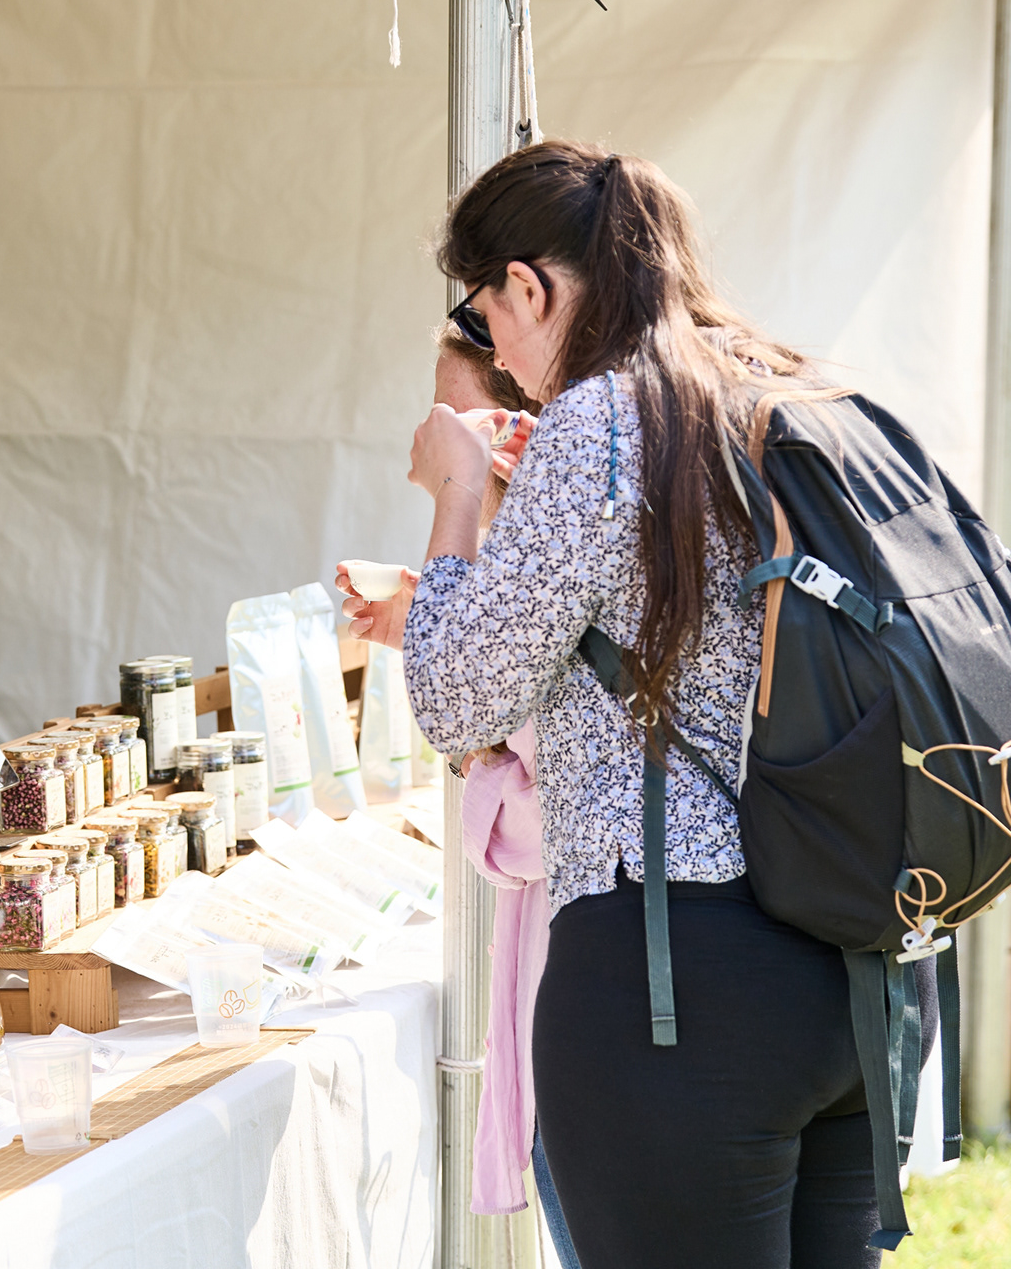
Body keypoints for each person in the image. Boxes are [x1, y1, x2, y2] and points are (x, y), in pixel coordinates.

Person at [346, 141, 885, 1266]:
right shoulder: (778, 387)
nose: (493, 347)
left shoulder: (598, 425)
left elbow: (456, 701)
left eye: (482, 312)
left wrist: (457, 493)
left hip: (675, 977)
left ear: (527, 286)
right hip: (847, 958)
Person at [344, 328, 580, 1269]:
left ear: (517, 426)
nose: (431, 427)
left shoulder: (561, 562)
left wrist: (455, 502)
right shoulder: (553, 556)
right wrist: (431, 622)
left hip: (605, 996)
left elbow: (542, 819)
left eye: (454, 409)